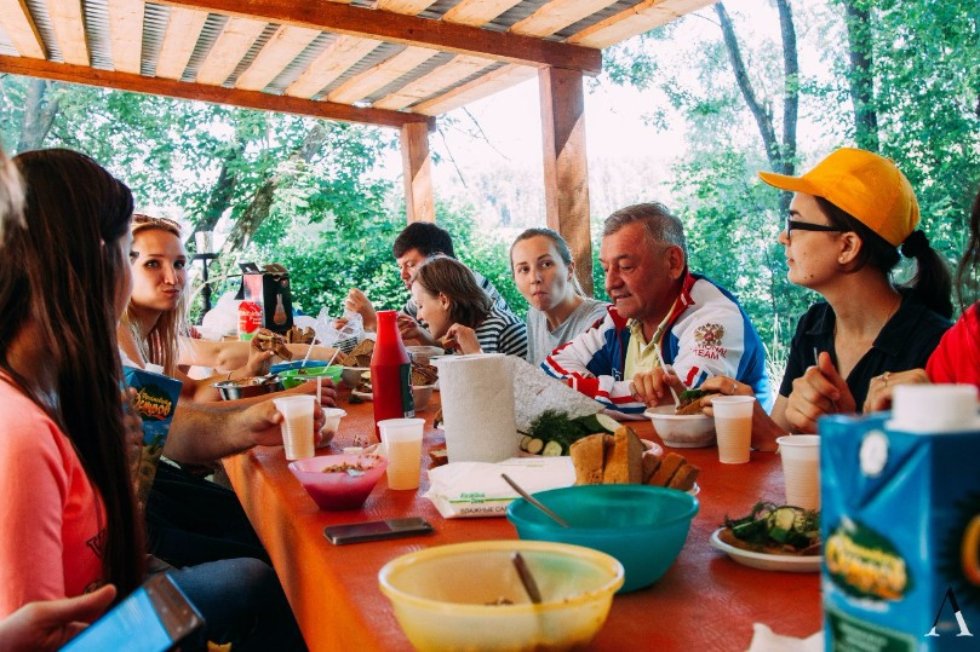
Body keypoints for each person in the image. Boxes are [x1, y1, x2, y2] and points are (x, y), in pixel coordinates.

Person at [0, 148, 306, 649]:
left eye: (179, 264)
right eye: (131, 256)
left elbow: (166, 428)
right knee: (274, 575)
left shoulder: (68, 381)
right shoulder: (19, 432)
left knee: (256, 576)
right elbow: (46, 633)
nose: (172, 277)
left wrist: (119, 470)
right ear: (94, 260)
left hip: (114, 584)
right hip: (105, 622)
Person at [698, 148, 953, 447]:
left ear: (847, 246)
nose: (783, 237)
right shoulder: (814, 325)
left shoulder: (937, 347)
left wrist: (769, 436)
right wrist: (748, 419)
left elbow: (928, 472)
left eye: (794, 224)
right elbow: (779, 443)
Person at [542, 202, 771, 417]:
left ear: (673, 262)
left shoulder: (715, 318)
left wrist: (577, 391)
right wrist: (586, 388)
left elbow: (688, 396)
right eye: (605, 269)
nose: (610, 284)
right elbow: (554, 365)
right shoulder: (623, 319)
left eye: (625, 267)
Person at [119, 213, 339, 406]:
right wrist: (287, 397)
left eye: (179, 264)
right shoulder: (119, 333)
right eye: (152, 264)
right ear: (119, 270)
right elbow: (177, 418)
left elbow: (194, 394)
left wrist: (249, 371)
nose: (173, 278)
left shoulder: (149, 336)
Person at [862, 188, 980, 409]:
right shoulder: (962, 341)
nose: (790, 238)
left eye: (798, 225)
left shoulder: (930, 336)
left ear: (849, 245)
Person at [344, 221, 513, 345]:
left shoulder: (468, 287)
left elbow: (456, 350)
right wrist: (354, 326)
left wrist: (375, 323)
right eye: (400, 267)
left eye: (410, 265)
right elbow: (405, 333)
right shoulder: (424, 293)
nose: (403, 275)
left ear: (438, 258)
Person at [510, 227, 608, 366]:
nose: (534, 278)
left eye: (546, 264)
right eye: (524, 269)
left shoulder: (599, 320)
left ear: (569, 269)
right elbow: (534, 375)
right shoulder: (534, 316)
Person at [411, 255, 528, 357]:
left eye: (420, 306)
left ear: (444, 300)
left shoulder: (507, 330)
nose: (418, 317)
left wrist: (474, 354)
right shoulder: (458, 331)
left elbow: (527, 376)